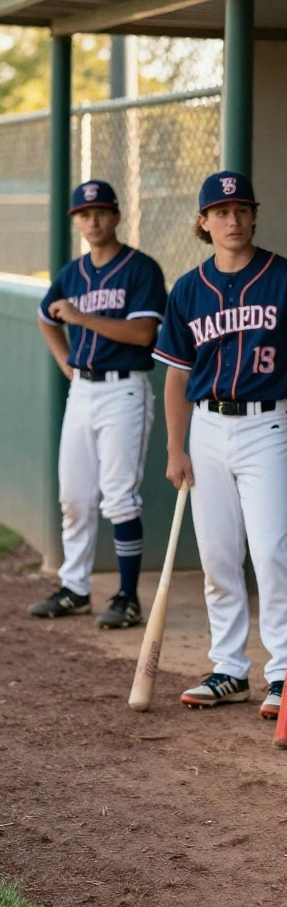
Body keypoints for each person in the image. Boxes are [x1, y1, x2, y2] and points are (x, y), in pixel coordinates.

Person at [153, 171, 287, 719]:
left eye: (241, 210)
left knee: (273, 553)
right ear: (203, 222)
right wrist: (175, 447)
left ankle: (283, 674)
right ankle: (228, 667)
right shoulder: (188, 289)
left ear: (253, 216)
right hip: (206, 428)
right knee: (217, 555)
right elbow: (177, 374)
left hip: (266, 425)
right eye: (221, 212)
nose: (233, 220)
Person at [31, 180, 167, 629]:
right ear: (76, 221)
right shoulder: (71, 274)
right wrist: (65, 362)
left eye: (101, 212)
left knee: (119, 497)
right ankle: (75, 588)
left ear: (116, 216)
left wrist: (80, 318)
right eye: (84, 215)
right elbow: (45, 317)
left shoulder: (140, 268)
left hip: (124, 390)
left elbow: (143, 334)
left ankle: (127, 597)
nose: (93, 221)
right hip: (83, 390)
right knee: (74, 496)